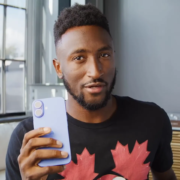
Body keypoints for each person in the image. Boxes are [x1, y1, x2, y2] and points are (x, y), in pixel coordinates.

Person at [6, 3, 176, 180]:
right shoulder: (27, 140)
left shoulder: (152, 119)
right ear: (58, 68)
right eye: (79, 58)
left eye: (104, 55)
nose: (95, 71)